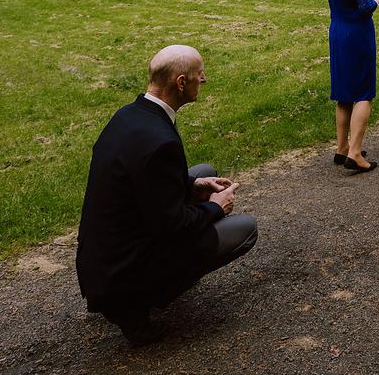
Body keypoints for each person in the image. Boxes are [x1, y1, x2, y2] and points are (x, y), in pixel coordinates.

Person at [76, 45, 258, 346]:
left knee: (202, 172)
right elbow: (172, 226)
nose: (205, 79)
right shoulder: (160, 142)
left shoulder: (129, 115)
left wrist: (192, 186)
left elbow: (143, 181)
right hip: (122, 272)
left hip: (100, 258)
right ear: (181, 82)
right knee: (245, 228)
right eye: (201, 75)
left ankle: (145, 288)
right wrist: (216, 208)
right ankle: (136, 306)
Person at [328, 0, 379, 172]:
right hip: (357, 35)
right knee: (363, 91)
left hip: (337, 33)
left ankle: (341, 148)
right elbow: (364, 8)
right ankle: (355, 153)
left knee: (344, 94)